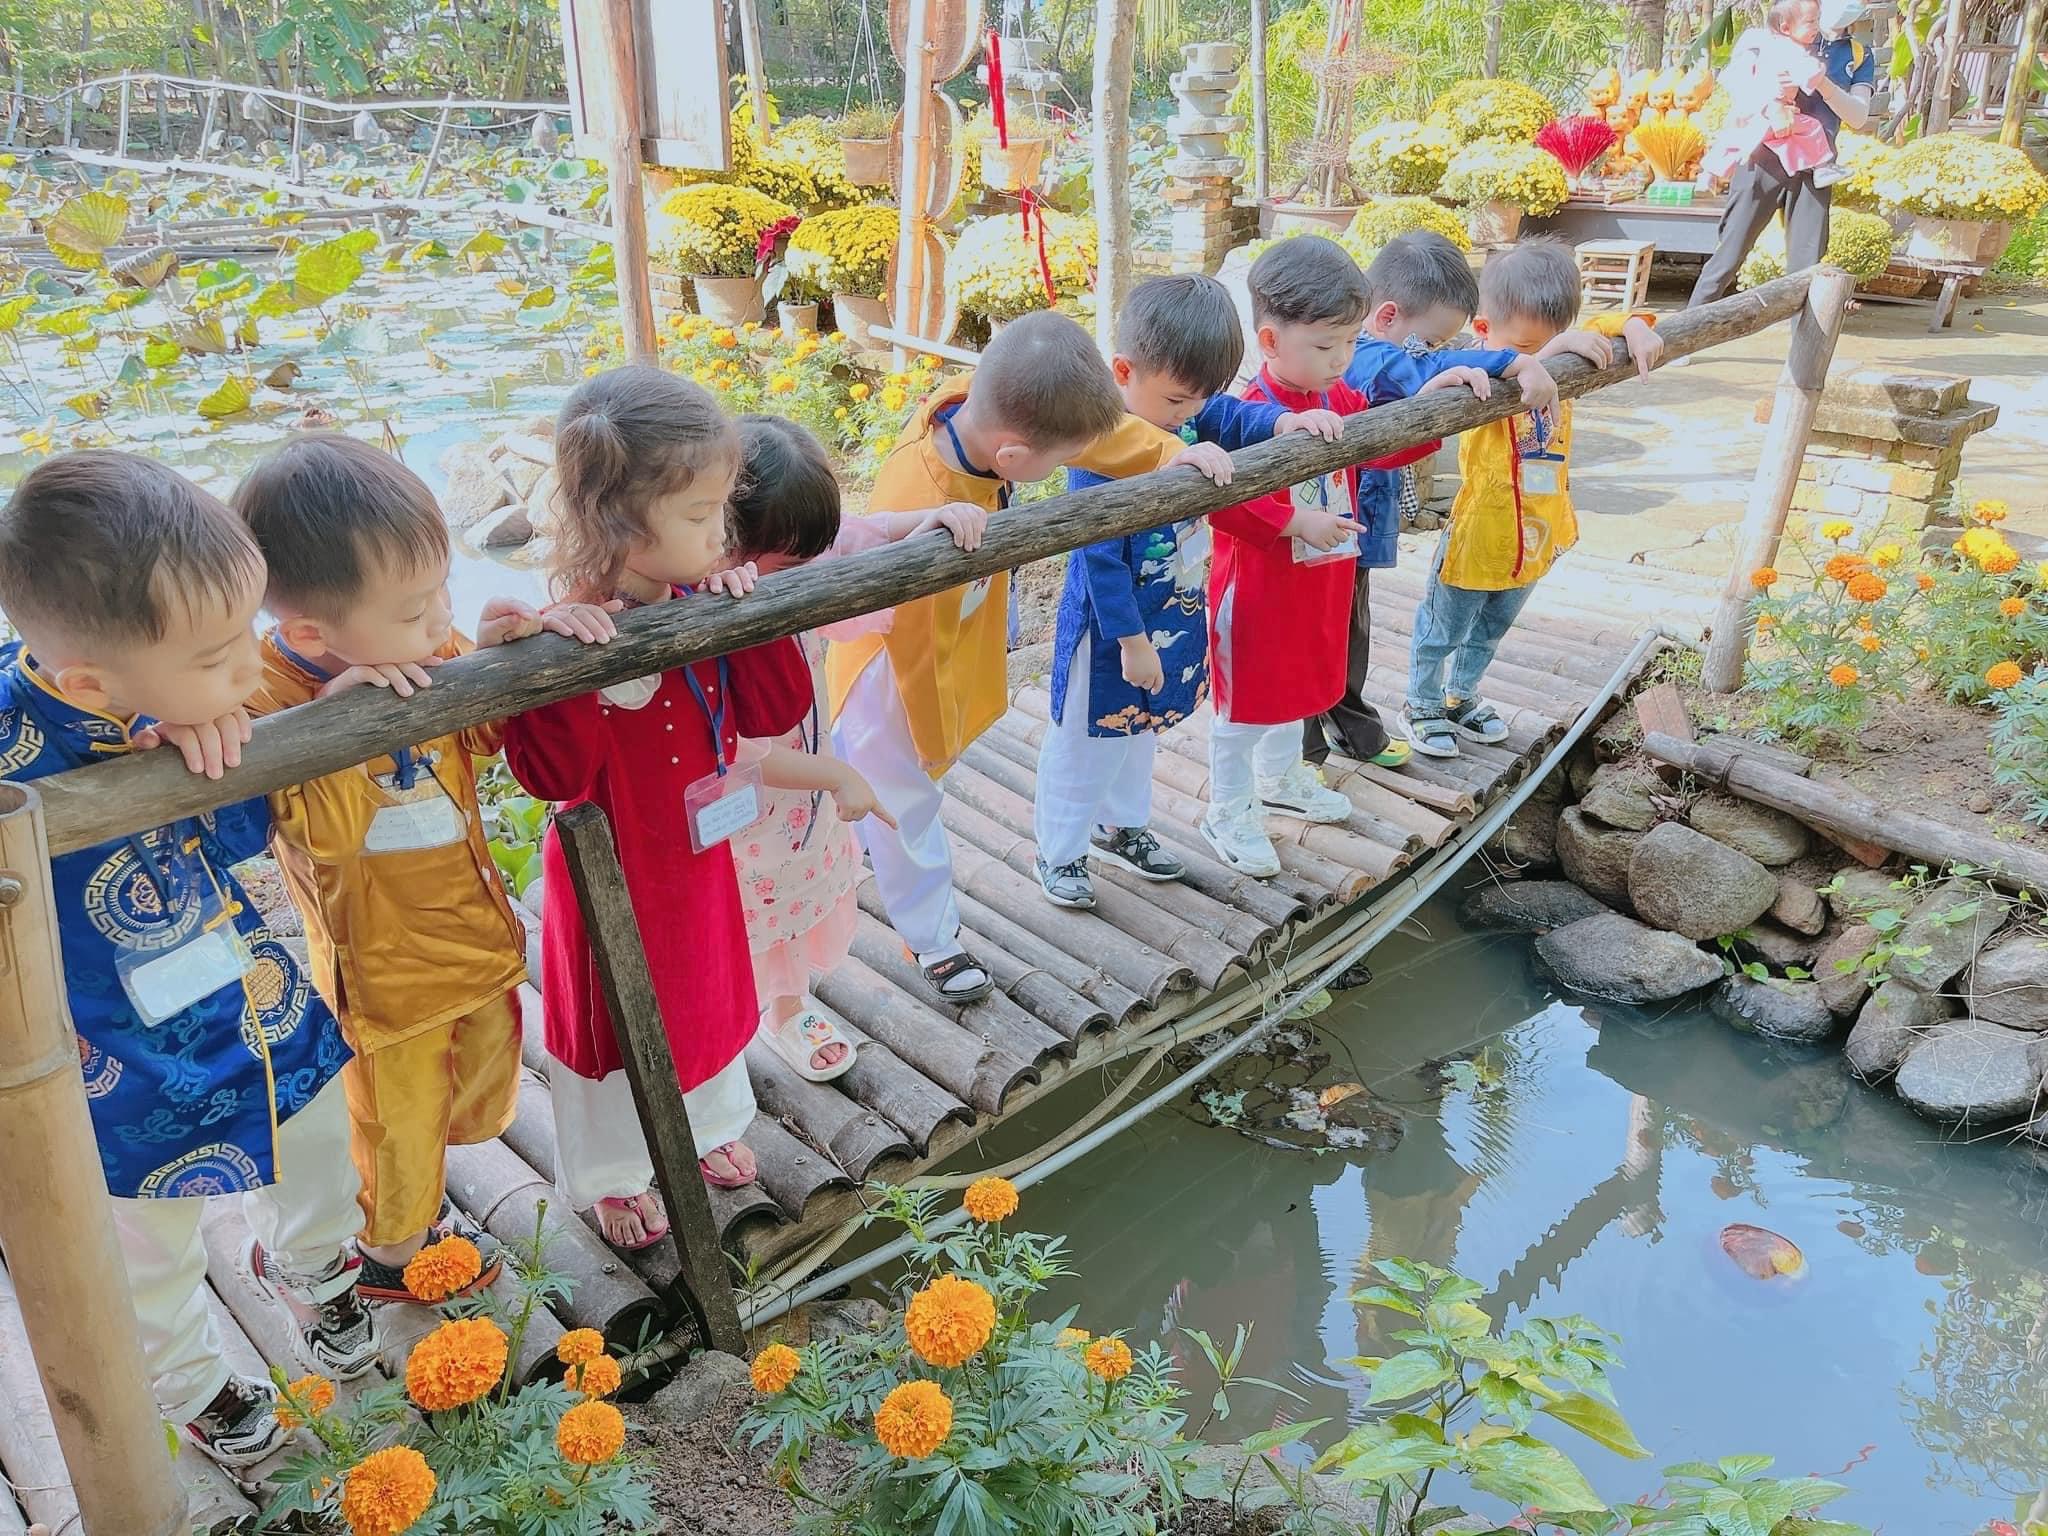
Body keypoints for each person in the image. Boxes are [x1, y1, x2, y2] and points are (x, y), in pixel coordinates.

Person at [0, 452, 371, 1469]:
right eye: (214, 658)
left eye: (246, 636)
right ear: (85, 679)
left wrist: (215, 737)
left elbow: (245, 841)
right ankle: (194, 1383)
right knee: (144, 1241)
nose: (248, 670)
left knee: (319, 1140)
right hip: (107, 1056)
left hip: (247, 992)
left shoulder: (202, 703)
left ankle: (312, 1271)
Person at [234, 434, 619, 1299]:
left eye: (442, 591)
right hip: (384, 972)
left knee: (480, 1091)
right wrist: (339, 725)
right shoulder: (266, 699)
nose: (437, 619)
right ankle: (392, 1251)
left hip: (475, 931)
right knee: (398, 1119)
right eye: (415, 610)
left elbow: (476, 736)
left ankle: (414, 1203)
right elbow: (314, 835)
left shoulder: (429, 640)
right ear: (306, 630)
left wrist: (492, 653)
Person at [824, 311, 1235, 1001]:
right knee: (906, 799)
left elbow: (1100, 438)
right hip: (889, 671)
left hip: (950, 633)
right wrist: (934, 733)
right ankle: (933, 938)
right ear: (1015, 459)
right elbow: (914, 651)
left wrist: (1170, 453)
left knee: (902, 792)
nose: (1070, 466)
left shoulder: (979, 407)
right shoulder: (920, 492)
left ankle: (872, 853)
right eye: (1060, 462)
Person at [501, 366, 812, 1245]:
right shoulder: (571, 629)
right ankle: (614, 1172)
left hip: (697, 862)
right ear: (619, 526)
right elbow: (555, 778)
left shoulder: (699, 599)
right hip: (614, 880)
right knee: (616, 1025)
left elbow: (772, 713)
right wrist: (557, 672)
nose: (721, 536)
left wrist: (747, 619)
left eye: (721, 512)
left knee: (705, 992)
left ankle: (709, 1122)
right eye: (698, 518)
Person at [1031, 274, 1346, 910]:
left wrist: (1283, 421)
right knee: (1084, 742)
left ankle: (1123, 827)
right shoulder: (1098, 448)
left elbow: (1228, 413)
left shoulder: (1190, 413)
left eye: (1194, 403)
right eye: (1176, 402)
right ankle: (1058, 850)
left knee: (1141, 729)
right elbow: (1098, 560)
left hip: (1172, 605)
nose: (1187, 417)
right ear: (1124, 370)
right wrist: (1129, 641)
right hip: (1111, 628)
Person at [1201, 236, 1483, 879]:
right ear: (1270, 342)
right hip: (1261, 590)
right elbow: (1219, 505)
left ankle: (1280, 779)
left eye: (1350, 344)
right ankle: (1227, 807)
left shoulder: (1339, 399)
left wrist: (1432, 401)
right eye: (1325, 347)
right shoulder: (1246, 414)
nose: (1341, 361)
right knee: (1247, 706)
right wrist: (1293, 520)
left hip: (1321, 580)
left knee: (1300, 690)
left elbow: (1382, 448)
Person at [725, 415, 986, 1080]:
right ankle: (732, 1019)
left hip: (803, 791)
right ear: (727, 546)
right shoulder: (716, 605)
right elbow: (740, 748)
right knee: (743, 905)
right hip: (748, 795)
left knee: (794, 891)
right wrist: (835, 775)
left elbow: (864, 536)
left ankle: (786, 1008)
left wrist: (931, 518)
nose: (813, 574)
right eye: (793, 566)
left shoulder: (801, 552)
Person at [1304, 232, 1563, 772]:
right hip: (1324, 526)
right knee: (1322, 633)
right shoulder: (1370, 353)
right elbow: (1417, 374)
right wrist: (1514, 363)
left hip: (1358, 523)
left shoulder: (1383, 346)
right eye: (1431, 343)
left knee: (1351, 629)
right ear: (1387, 315)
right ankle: (1315, 741)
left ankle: (1346, 722)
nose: (1438, 355)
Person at [1402, 238, 1664, 757]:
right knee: (1443, 626)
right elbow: (1503, 364)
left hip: (1539, 530)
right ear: (1485, 330)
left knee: (1493, 627)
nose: (1540, 359)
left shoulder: (1566, 343)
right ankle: (1422, 702)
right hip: (1481, 531)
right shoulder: (1479, 368)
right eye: (1524, 348)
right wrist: (1543, 357)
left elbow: (1609, 322)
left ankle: (1462, 695)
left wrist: (1633, 325)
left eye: (1557, 339)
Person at [1686, 0, 1875, 312]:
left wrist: (1823, 84)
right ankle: (1680, 335)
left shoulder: (1857, 53)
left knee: (1807, 267)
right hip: (1763, 159)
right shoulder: (1767, 38)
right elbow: (1735, 85)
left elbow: (1858, 116)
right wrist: (1771, 103)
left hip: (1813, 169)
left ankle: (1801, 354)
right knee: (1729, 255)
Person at [1701, 7, 1839, 187]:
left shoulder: (1763, 45)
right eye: (1810, 22)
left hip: (1753, 111)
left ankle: (1709, 173)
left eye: (1817, 20)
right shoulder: (1794, 51)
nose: (1816, 27)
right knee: (1813, 128)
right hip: (1778, 110)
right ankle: (1821, 168)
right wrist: (1819, 69)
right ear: (1786, 28)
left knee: (1735, 139)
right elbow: (1810, 73)